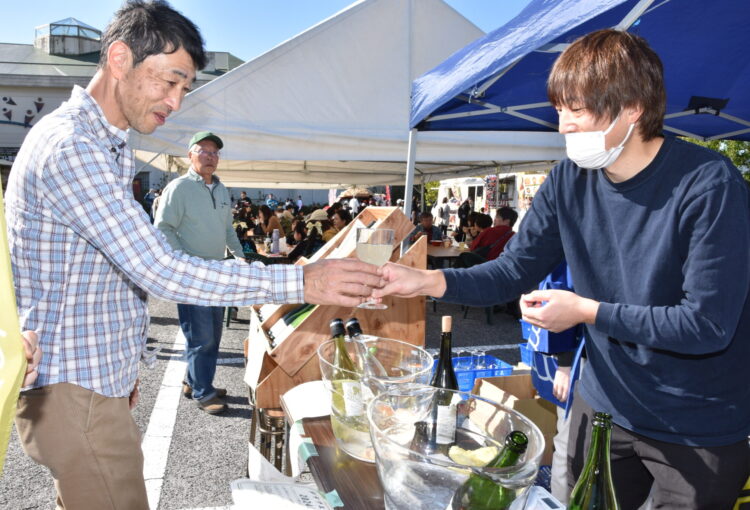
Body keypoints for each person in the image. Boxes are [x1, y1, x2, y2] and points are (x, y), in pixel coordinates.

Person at [5, 2, 382, 508]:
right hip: (75, 390)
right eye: (170, 82)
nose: (176, 103)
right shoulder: (72, 145)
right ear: (119, 58)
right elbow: (157, 267)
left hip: (90, 381)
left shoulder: (105, 143)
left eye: (185, 88)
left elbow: (104, 272)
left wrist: (120, 369)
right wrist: (303, 281)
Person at [374, 29, 750, 509]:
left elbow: (707, 325)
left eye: (578, 111)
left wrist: (587, 311)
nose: (563, 127)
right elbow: (514, 270)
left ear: (632, 108)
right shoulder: (568, 181)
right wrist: (429, 280)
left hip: (698, 423)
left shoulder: (709, 184)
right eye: (559, 110)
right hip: (604, 404)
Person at [154, 131, 244, 414]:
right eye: (203, 151)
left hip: (217, 271)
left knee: (212, 333)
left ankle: (194, 381)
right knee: (201, 335)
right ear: (190, 156)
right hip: (193, 273)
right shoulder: (179, 188)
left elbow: (227, 228)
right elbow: (163, 227)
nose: (210, 156)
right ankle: (204, 393)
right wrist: (183, 261)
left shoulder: (221, 189)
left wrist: (240, 257)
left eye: (215, 152)